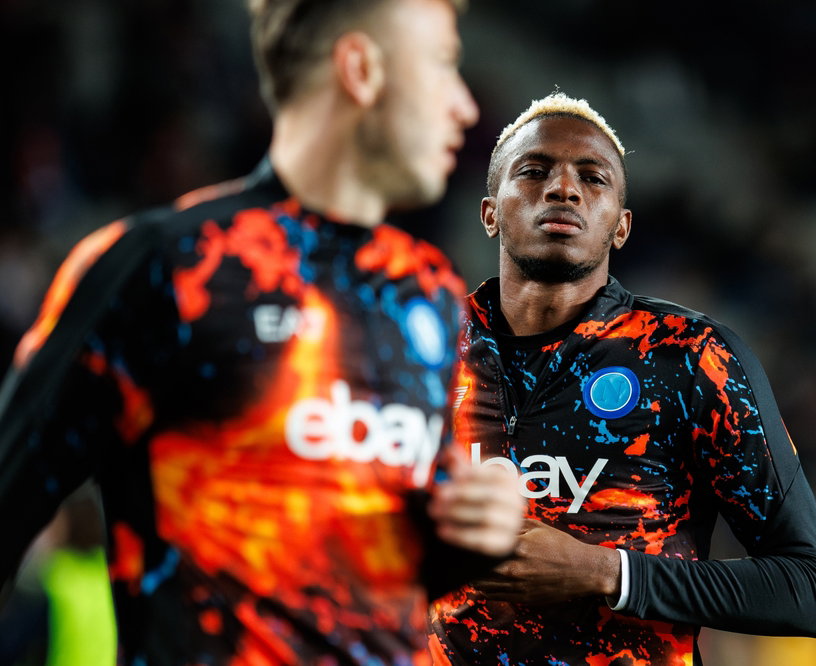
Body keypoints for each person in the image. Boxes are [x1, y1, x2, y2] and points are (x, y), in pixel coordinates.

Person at [0, 0, 526, 663]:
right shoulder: (171, 267)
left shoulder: (431, 293)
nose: (465, 108)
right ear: (360, 69)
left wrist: (476, 534)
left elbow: (382, 574)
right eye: (444, 65)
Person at [427, 92, 816, 666]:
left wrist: (609, 573)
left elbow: (810, 590)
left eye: (592, 177)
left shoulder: (690, 357)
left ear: (621, 228)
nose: (563, 188)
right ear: (490, 212)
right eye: (534, 171)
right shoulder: (424, 348)